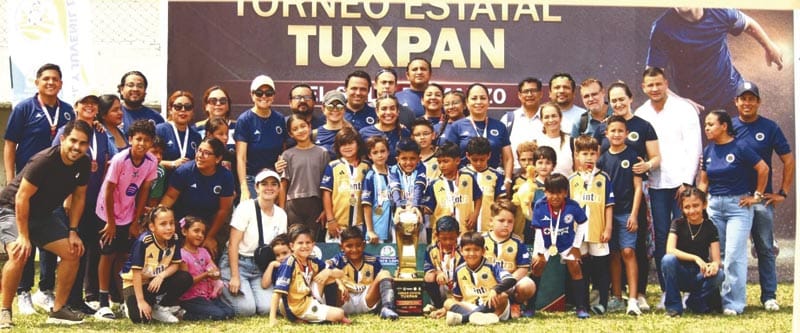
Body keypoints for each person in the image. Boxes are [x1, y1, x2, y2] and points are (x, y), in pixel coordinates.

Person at [0, 120, 91, 327]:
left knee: (73, 251)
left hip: (43, 215)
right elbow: (22, 198)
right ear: (62, 139)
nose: (77, 147)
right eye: (73, 141)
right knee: (19, 252)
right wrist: (23, 236)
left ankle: (58, 311)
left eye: (83, 143)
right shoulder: (43, 160)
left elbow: (79, 198)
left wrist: (73, 231)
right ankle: (4, 311)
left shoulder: (84, 163)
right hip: (10, 209)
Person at [3, 64, 75, 314]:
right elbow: (10, 145)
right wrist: (11, 178)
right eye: (46, 79)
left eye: (55, 79)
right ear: (37, 82)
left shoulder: (67, 112)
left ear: (61, 84)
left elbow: (75, 141)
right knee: (24, 243)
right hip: (25, 185)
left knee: (52, 240)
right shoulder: (24, 108)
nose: (51, 83)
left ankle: (45, 290)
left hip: (51, 191)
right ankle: (23, 293)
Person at [634, 67, 702, 295]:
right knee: (662, 236)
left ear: (666, 84)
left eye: (658, 84)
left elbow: (694, 148)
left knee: (688, 234)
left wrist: (687, 182)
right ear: (643, 88)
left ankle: (691, 288)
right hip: (655, 185)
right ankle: (668, 291)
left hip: (682, 185)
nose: (654, 89)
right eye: (649, 85)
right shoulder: (641, 113)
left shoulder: (684, 109)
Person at [595, 81, 661, 311]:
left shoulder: (643, 127)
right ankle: (616, 294)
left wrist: (647, 166)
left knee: (633, 248)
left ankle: (637, 294)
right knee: (613, 252)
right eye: (613, 100)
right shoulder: (602, 136)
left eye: (621, 99)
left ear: (630, 98)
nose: (618, 103)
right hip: (607, 209)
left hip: (632, 204)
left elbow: (654, 158)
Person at [697, 110, 768, 315]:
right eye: (706, 125)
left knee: (734, 255)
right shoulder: (708, 151)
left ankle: (733, 303)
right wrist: (700, 205)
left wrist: (757, 196)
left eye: (711, 124)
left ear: (724, 126)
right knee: (717, 254)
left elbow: (763, 169)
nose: (707, 128)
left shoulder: (741, 146)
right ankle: (715, 300)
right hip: (714, 207)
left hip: (738, 207)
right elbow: (703, 182)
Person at [646, 7, 783, 113]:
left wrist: (769, 47)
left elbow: (748, 24)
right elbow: (651, 79)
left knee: (744, 146)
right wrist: (679, 102)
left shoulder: (720, 11)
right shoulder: (662, 28)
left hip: (732, 93)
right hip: (699, 107)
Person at [731, 81, 794, 311]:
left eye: (751, 99)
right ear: (735, 102)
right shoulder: (729, 126)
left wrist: (783, 193)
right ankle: (731, 297)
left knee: (765, 247)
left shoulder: (770, 127)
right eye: (742, 98)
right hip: (734, 198)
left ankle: (769, 296)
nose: (747, 103)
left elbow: (788, 160)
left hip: (759, 200)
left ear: (758, 102)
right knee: (732, 250)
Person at [52, 94, 112, 315]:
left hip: (94, 200)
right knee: (70, 250)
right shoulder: (67, 132)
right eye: (84, 103)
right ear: (75, 107)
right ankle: (64, 299)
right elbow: (57, 162)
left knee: (84, 250)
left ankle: (77, 299)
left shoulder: (100, 132)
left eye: (94, 104)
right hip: (72, 199)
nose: (89, 106)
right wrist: (67, 196)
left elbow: (106, 162)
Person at [94, 119, 158, 321]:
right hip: (108, 213)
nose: (141, 143)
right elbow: (108, 190)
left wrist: (136, 221)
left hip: (128, 214)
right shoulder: (120, 159)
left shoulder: (151, 161)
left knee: (122, 255)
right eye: (138, 139)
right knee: (107, 254)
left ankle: (118, 298)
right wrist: (111, 223)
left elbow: (144, 191)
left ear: (151, 142)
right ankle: (103, 302)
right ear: (130, 139)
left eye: (146, 140)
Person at [221, 169, 287, 316]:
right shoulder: (245, 208)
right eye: (264, 184)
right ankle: (221, 286)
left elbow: (280, 247)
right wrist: (235, 276)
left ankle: (250, 293)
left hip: (260, 267)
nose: (269, 188)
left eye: (273, 184)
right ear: (257, 187)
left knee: (268, 308)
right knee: (246, 309)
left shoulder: (281, 214)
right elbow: (233, 244)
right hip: (239, 262)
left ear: (278, 188)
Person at [597, 116, 643, 315]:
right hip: (608, 216)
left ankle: (633, 299)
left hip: (627, 213)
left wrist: (634, 214)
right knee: (614, 255)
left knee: (628, 252)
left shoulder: (633, 156)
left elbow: (638, 188)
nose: (616, 134)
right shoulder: (602, 159)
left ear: (626, 133)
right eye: (612, 131)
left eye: (620, 131)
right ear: (606, 134)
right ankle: (616, 297)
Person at [160, 137, 235, 257]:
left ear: (218, 159)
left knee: (210, 250)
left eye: (206, 153)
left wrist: (210, 237)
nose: (200, 155)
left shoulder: (226, 177)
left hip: (210, 222)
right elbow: (170, 197)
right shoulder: (184, 171)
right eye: (199, 150)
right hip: (183, 220)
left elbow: (223, 210)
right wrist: (157, 215)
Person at [531, 174, 590, 319]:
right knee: (537, 267)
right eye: (551, 192)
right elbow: (538, 231)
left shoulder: (572, 206)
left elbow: (582, 223)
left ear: (565, 192)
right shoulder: (540, 205)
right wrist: (539, 252)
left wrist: (576, 246)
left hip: (566, 244)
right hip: (545, 244)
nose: (555, 196)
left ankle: (581, 307)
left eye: (559, 192)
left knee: (575, 266)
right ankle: (530, 306)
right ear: (545, 192)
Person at [120, 206, 192, 323]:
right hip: (134, 283)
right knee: (140, 319)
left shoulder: (174, 238)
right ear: (152, 227)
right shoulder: (143, 242)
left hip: (153, 280)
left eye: (171, 223)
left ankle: (160, 307)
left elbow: (175, 265)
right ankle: (129, 305)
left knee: (185, 277)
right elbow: (136, 274)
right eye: (163, 224)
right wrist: (141, 301)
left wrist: (161, 276)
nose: (169, 228)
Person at [661, 187, 724, 317]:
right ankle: (673, 308)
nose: (692, 211)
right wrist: (695, 258)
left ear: (704, 205)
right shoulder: (677, 223)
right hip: (680, 273)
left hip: (699, 275)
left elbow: (717, 259)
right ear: (682, 208)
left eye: (696, 206)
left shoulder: (710, 226)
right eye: (687, 207)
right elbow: (670, 249)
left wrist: (714, 265)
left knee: (720, 275)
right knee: (668, 260)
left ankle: (694, 301)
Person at [269, 225, 349, 326]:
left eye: (308, 242)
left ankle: (329, 310)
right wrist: (272, 319)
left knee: (329, 276)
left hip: (308, 299)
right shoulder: (288, 264)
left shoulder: (312, 260)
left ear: (313, 245)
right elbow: (277, 293)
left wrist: (329, 272)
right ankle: (306, 317)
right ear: (292, 246)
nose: (305, 246)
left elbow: (340, 273)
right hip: (297, 307)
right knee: (340, 313)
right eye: (300, 243)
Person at [569, 135, 614, 315]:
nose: (589, 158)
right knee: (582, 268)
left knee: (601, 267)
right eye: (584, 154)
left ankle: (603, 302)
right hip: (578, 234)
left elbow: (609, 206)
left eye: (592, 154)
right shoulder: (572, 180)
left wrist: (608, 228)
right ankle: (583, 303)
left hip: (598, 230)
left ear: (598, 155)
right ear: (577, 155)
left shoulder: (604, 178)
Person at [325, 226, 399, 319]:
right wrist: (340, 284)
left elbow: (380, 282)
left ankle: (387, 308)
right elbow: (325, 268)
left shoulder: (372, 260)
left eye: (358, 245)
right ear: (341, 246)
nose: (354, 249)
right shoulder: (339, 260)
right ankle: (330, 311)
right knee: (329, 275)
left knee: (385, 273)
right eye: (349, 246)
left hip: (366, 300)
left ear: (364, 245)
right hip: (345, 301)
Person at [443, 83, 513, 180]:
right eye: (474, 98)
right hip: (465, 181)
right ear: (467, 102)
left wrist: (508, 180)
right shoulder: (457, 126)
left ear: (489, 101)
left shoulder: (499, 126)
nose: (479, 102)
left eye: (483, 98)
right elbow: (448, 157)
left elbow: (508, 158)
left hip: (494, 181)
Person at [444, 231, 515, 326]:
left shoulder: (492, 266)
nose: (472, 253)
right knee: (448, 302)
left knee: (503, 296)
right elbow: (457, 298)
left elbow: (511, 279)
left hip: (492, 307)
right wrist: (444, 309)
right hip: (472, 307)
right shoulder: (459, 270)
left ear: (483, 251)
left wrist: (495, 290)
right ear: (461, 251)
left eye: (476, 249)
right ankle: (478, 318)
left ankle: (464, 318)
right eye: (467, 250)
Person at [235, 75, 288, 201]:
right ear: (252, 95)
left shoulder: (279, 119)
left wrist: (280, 163)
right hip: (252, 180)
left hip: (273, 181)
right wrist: (244, 188)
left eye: (268, 93)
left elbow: (283, 150)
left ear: (273, 96)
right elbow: (241, 157)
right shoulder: (245, 120)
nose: (264, 96)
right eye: (259, 93)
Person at [482, 199, 535, 318]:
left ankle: (515, 304)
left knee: (528, 285)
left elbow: (523, 269)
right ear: (491, 221)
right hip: (486, 283)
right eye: (501, 220)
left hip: (510, 283)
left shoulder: (517, 242)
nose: (506, 224)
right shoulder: (481, 240)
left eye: (510, 222)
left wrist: (507, 283)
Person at [280, 114, 330, 240]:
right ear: (291, 134)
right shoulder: (287, 155)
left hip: (315, 203)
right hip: (293, 204)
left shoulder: (322, 153)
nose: (300, 130)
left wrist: (326, 210)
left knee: (312, 241)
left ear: (309, 127)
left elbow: (327, 185)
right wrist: (281, 210)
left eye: (303, 126)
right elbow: (283, 184)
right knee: (295, 240)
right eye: (295, 129)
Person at [178, 216, 235, 321]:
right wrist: (206, 274)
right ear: (184, 231)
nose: (200, 235)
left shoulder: (203, 252)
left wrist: (216, 274)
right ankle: (184, 314)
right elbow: (186, 282)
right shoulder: (182, 255)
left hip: (207, 295)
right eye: (196, 231)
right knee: (219, 315)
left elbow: (215, 270)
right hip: (191, 298)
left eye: (203, 233)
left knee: (230, 313)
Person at [321, 127, 369, 243]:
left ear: (358, 144)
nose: (347, 147)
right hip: (338, 225)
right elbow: (326, 193)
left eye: (351, 143)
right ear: (338, 147)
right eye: (343, 144)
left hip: (360, 224)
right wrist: (330, 220)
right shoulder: (333, 166)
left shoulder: (366, 167)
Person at [423, 142, 482, 234]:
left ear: (457, 161)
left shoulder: (468, 178)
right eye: (439, 162)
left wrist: (475, 214)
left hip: (465, 231)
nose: (442, 165)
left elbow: (478, 197)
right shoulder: (434, 184)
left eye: (446, 161)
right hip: (442, 234)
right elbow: (428, 208)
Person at [500, 78, 551, 172]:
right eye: (526, 91)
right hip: (514, 175)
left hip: (543, 175)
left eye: (534, 91)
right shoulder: (508, 119)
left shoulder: (549, 118)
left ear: (541, 94)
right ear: (519, 95)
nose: (529, 94)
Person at [463, 137, 506, 232]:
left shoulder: (496, 175)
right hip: (465, 226)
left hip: (488, 228)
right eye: (474, 160)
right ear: (467, 156)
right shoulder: (461, 174)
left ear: (489, 155)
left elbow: (500, 202)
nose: (478, 163)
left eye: (482, 160)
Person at [155, 90, 202, 177]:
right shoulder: (160, 130)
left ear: (192, 111)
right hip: (163, 183)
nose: (183, 110)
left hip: (187, 185)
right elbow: (148, 160)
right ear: (170, 110)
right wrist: (172, 164)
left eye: (187, 107)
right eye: (178, 107)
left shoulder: (196, 136)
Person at [422, 216, 462, 318]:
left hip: (458, 287)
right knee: (429, 276)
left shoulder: (462, 250)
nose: (448, 242)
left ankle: (451, 306)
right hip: (441, 286)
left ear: (458, 235)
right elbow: (428, 270)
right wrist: (438, 273)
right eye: (444, 238)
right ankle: (438, 305)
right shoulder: (431, 250)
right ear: (436, 235)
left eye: (452, 238)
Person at [359, 94, 410, 165]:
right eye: (384, 109)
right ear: (377, 111)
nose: (388, 112)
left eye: (392, 108)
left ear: (398, 111)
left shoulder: (405, 133)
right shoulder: (364, 133)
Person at [361, 136, 393, 244]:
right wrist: (370, 230)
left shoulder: (394, 172)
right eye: (375, 152)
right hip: (377, 229)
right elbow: (366, 206)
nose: (380, 155)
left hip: (395, 228)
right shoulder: (370, 176)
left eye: (383, 151)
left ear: (388, 152)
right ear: (370, 155)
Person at [387, 139, 426, 223]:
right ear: (397, 159)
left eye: (412, 158)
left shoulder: (421, 168)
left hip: (416, 210)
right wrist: (398, 206)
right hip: (399, 210)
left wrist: (415, 205)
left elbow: (418, 187)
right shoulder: (394, 169)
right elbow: (395, 188)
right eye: (404, 158)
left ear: (419, 159)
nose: (408, 162)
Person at [535, 102, 574, 176]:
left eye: (554, 116)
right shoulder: (536, 143)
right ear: (541, 120)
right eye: (546, 117)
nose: (550, 120)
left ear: (560, 117)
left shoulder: (571, 141)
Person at [510, 141, 539, 241]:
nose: (527, 163)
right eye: (523, 160)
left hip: (536, 221)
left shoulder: (541, 179)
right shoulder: (515, 178)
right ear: (518, 160)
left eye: (530, 159)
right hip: (519, 221)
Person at [285, 84, 324, 149]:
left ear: (314, 101)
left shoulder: (323, 126)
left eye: (307, 97)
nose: (303, 100)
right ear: (290, 102)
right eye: (297, 97)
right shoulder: (282, 125)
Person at [315, 90, 349, 158]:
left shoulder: (352, 133)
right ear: (323, 109)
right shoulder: (313, 135)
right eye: (330, 106)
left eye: (339, 106)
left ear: (344, 109)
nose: (335, 110)